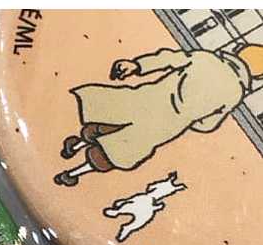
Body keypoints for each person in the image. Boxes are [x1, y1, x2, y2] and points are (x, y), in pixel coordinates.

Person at [54, 41, 263, 186]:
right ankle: (72, 174)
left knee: (109, 119)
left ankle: (77, 144)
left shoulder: (204, 58)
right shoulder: (235, 94)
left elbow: (168, 59)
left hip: (149, 98)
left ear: (238, 51)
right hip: (167, 126)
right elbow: (208, 124)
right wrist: (187, 118)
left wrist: (137, 66)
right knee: (120, 151)